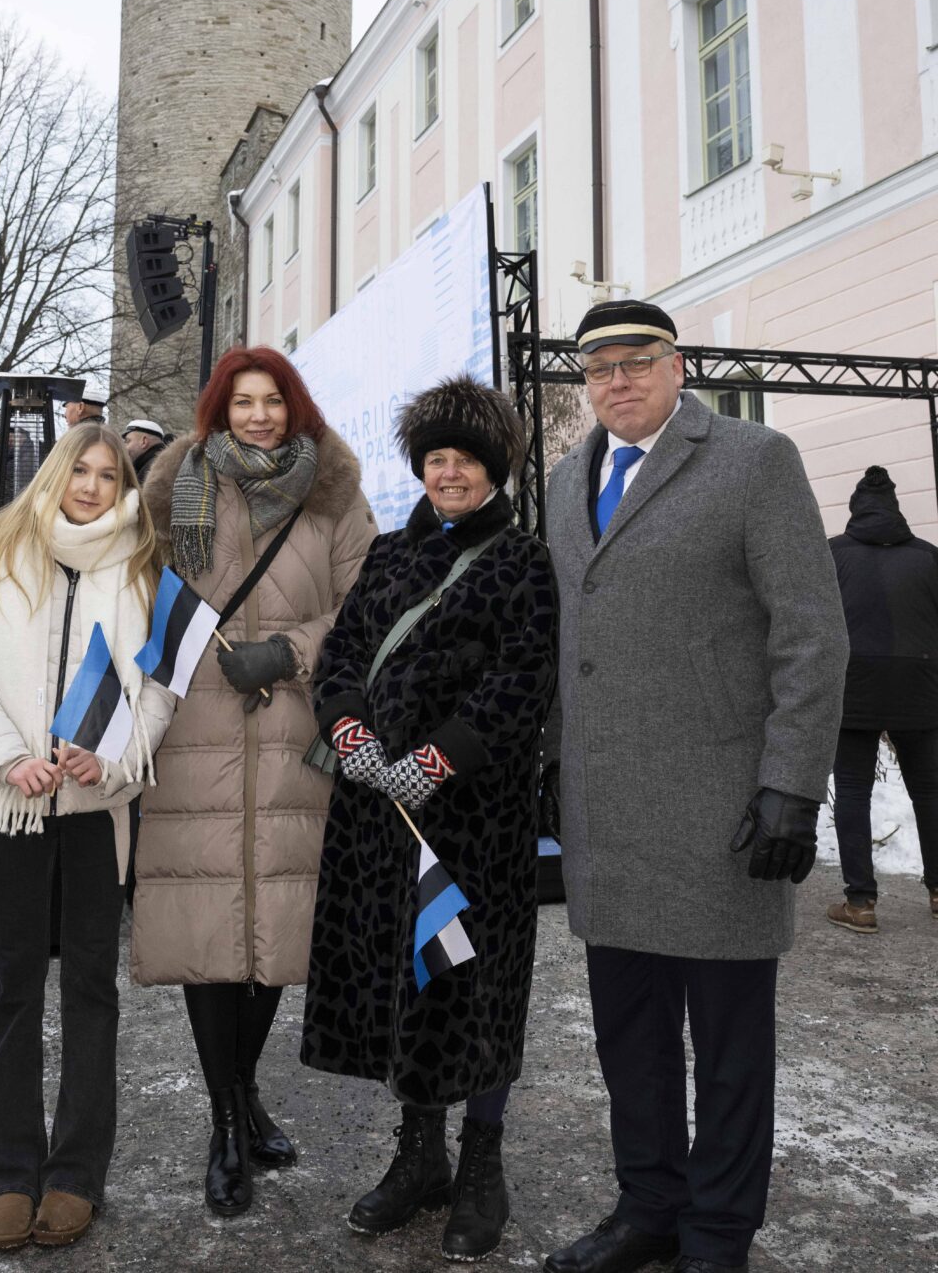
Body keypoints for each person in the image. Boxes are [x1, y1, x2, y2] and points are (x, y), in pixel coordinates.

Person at [544, 299, 848, 1273]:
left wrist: (790, 786)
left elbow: (811, 632)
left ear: (678, 367)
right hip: (608, 815)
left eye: (636, 361)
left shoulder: (752, 460)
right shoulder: (563, 480)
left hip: (719, 811)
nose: (617, 381)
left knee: (726, 1048)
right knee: (628, 1035)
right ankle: (648, 1207)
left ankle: (717, 1231)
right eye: (598, 369)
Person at [301, 376, 559, 1263]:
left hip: (473, 824)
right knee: (403, 988)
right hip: (377, 815)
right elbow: (338, 656)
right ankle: (420, 1158)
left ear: (495, 468)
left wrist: (436, 758)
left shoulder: (523, 560)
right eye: (436, 459)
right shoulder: (387, 554)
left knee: (472, 989)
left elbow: (523, 679)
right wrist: (348, 730)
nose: (449, 473)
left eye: (465, 460)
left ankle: (481, 1164)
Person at [129, 346, 375, 1217]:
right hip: (193, 726)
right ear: (219, 412)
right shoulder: (173, 491)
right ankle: (228, 1123)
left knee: (274, 925)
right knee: (207, 929)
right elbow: (137, 600)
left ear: (295, 405)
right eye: (244, 403)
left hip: (290, 726)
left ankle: (240, 1098)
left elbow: (365, 603)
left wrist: (296, 651)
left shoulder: (334, 495)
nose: (260, 416)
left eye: (274, 401)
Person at [0, 423, 174, 1252]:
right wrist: (6, 756)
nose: (93, 485)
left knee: (90, 992)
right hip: (14, 808)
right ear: (56, 475)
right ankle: (6, 1172)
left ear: (122, 486)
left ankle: (75, 1174)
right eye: (82, 469)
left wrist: (106, 761)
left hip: (93, 811)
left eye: (109, 474)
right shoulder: (2, 554)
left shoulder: (142, 571)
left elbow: (155, 695)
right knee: (11, 988)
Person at [826, 464, 938, 932]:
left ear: (856, 510)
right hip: (921, 686)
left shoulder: (831, 556)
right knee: (931, 792)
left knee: (853, 792)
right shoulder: (930, 558)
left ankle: (861, 902)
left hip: (854, 686)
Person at [121, 418, 170, 485]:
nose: (125, 447)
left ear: (144, 442)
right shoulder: (159, 464)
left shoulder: (153, 469)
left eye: (127, 441)